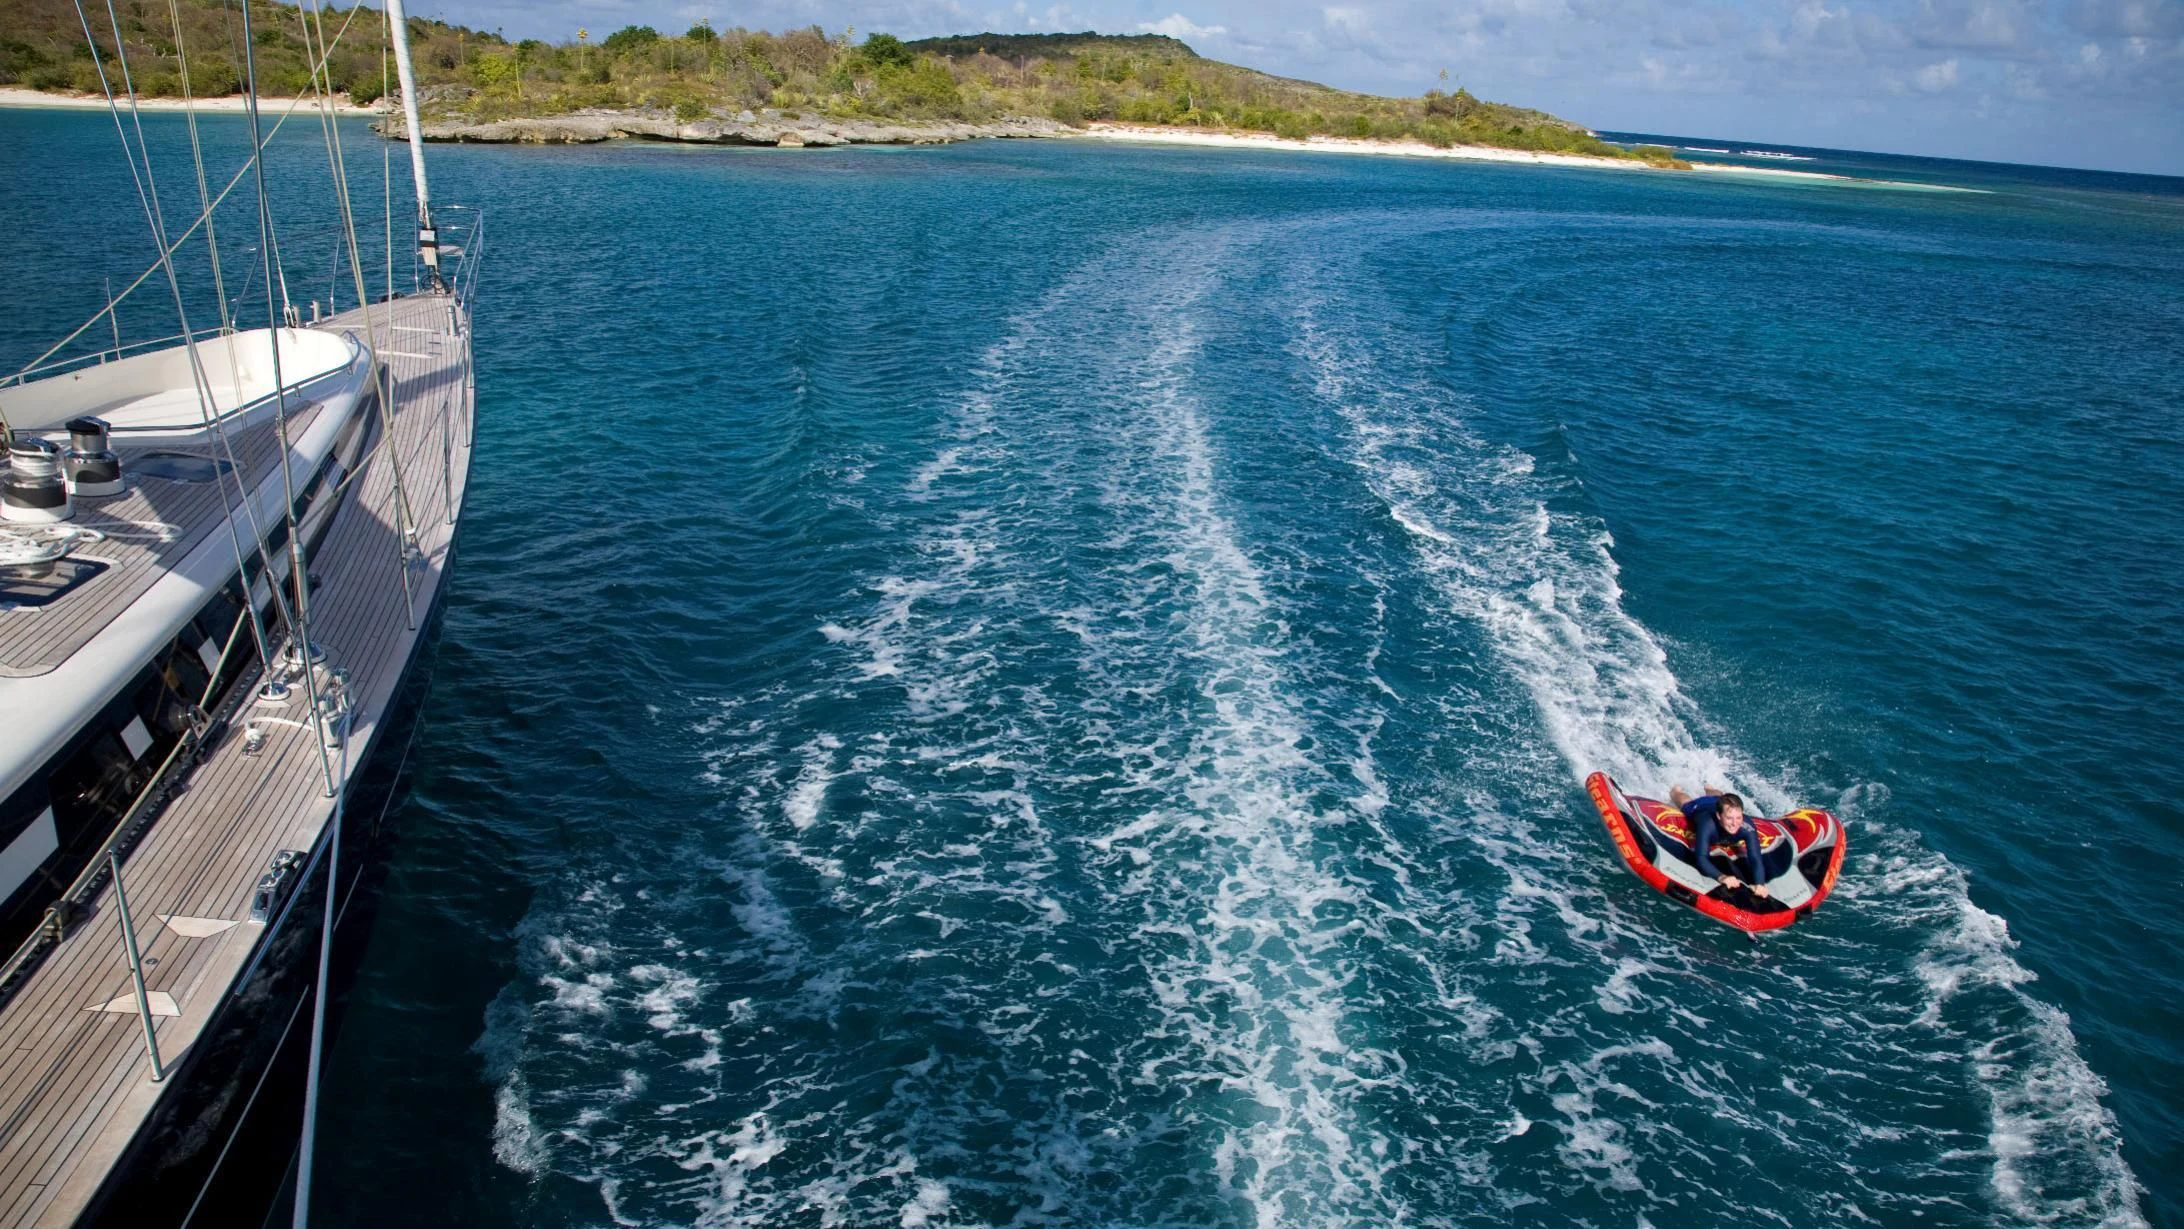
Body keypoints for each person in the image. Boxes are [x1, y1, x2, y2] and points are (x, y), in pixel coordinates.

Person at [1667, 785, 1770, 900]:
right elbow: (1701, 857)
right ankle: (1676, 791)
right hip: (1701, 807)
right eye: (1729, 818)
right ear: (1719, 816)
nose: (1735, 823)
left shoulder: (1747, 827)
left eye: (1739, 817)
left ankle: (1709, 789)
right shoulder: (1708, 824)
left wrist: (1760, 884)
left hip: (1719, 803)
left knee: (1718, 797)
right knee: (1685, 803)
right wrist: (1721, 877)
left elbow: (1755, 858)